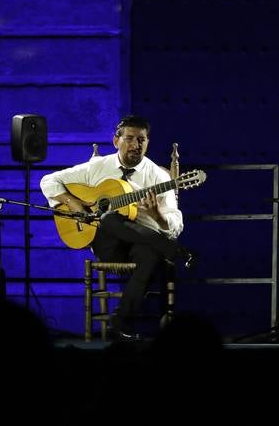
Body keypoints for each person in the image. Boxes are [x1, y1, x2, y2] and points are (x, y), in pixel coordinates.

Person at [40, 114, 195, 340]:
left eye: (141, 140)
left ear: (147, 142)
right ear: (116, 141)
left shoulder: (159, 176)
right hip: (107, 244)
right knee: (109, 219)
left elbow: (175, 224)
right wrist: (74, 203)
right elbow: (48, 181)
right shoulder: (97, 168)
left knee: (150, 256)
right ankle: (171, 249)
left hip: (140, 243)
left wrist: (158, 216)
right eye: (129, 138)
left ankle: (119, 323)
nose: (135, 145)